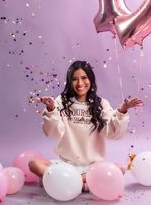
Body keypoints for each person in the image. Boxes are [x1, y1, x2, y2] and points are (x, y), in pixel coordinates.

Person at [29, 60, 143, 191]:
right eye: (74, 79)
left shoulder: (101, 104)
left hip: (92, 167)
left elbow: (112, 133)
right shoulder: (61, 101)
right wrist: (51, 109)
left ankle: (64, 181)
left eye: (84, 78)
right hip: (65, 164)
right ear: (69, 82)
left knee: (120, 169)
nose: (80, 83)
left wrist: (123, 109)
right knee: (34, 164)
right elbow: (53, 132)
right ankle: (82, 182)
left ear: (91, 79)